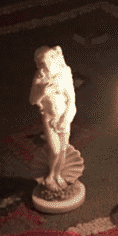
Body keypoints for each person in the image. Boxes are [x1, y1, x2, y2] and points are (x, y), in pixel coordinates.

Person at [29, 45, 77, 193]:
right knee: (55, 150)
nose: (44, 67)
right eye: (41, 64)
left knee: (63, 149)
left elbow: (71, 100)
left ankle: (58, 175)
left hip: (63, 117)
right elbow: (32, 100)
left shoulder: (63, 74)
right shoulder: (40, 79)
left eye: (46, 62)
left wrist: (65, 118)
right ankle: (50, 176)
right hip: (49, 118)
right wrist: (43, 90)